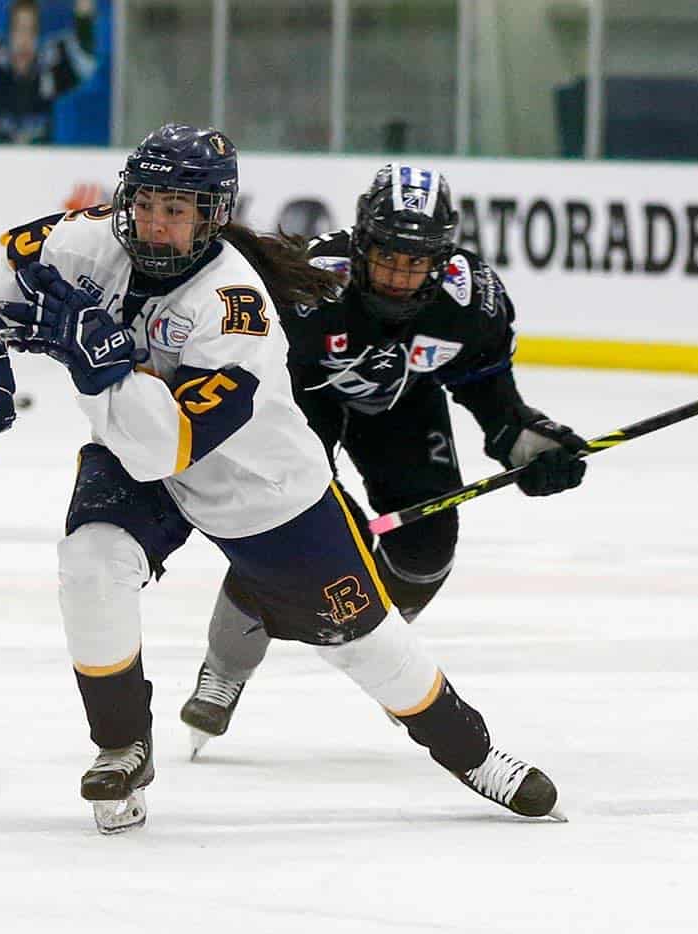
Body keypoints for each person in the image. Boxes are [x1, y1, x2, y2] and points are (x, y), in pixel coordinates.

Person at [0, 126, 564, 834]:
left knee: (365, 643)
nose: (154, 222)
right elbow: (11, 261)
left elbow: (166, 449)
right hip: (134, 448)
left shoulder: (234, 304)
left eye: (176, 210)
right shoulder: (89, 241)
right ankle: (121, 745)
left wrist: (105, 363)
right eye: (145, 201)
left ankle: (473, 753)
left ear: (211, 216)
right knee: (90, 562)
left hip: (254, 481)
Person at [179, 163, 586, 766]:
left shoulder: (471, 300)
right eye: (387, 257)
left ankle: (377, 641)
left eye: (416, 261)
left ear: (443, 257)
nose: (399, 276)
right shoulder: (309, 282)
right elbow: (248, 372)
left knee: (429, 546)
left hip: (401, 403)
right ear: (361, 241)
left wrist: (531, 445)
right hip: (299, 401)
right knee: (291, 532)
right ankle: (226, 667)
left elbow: (494, 395)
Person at [0, 0, 97, 144]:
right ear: (8, 33)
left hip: (44, 167)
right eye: (18, 29)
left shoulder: (51, 71)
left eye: (31, 30)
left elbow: (85, 53)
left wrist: (84, 17)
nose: (24, 39)